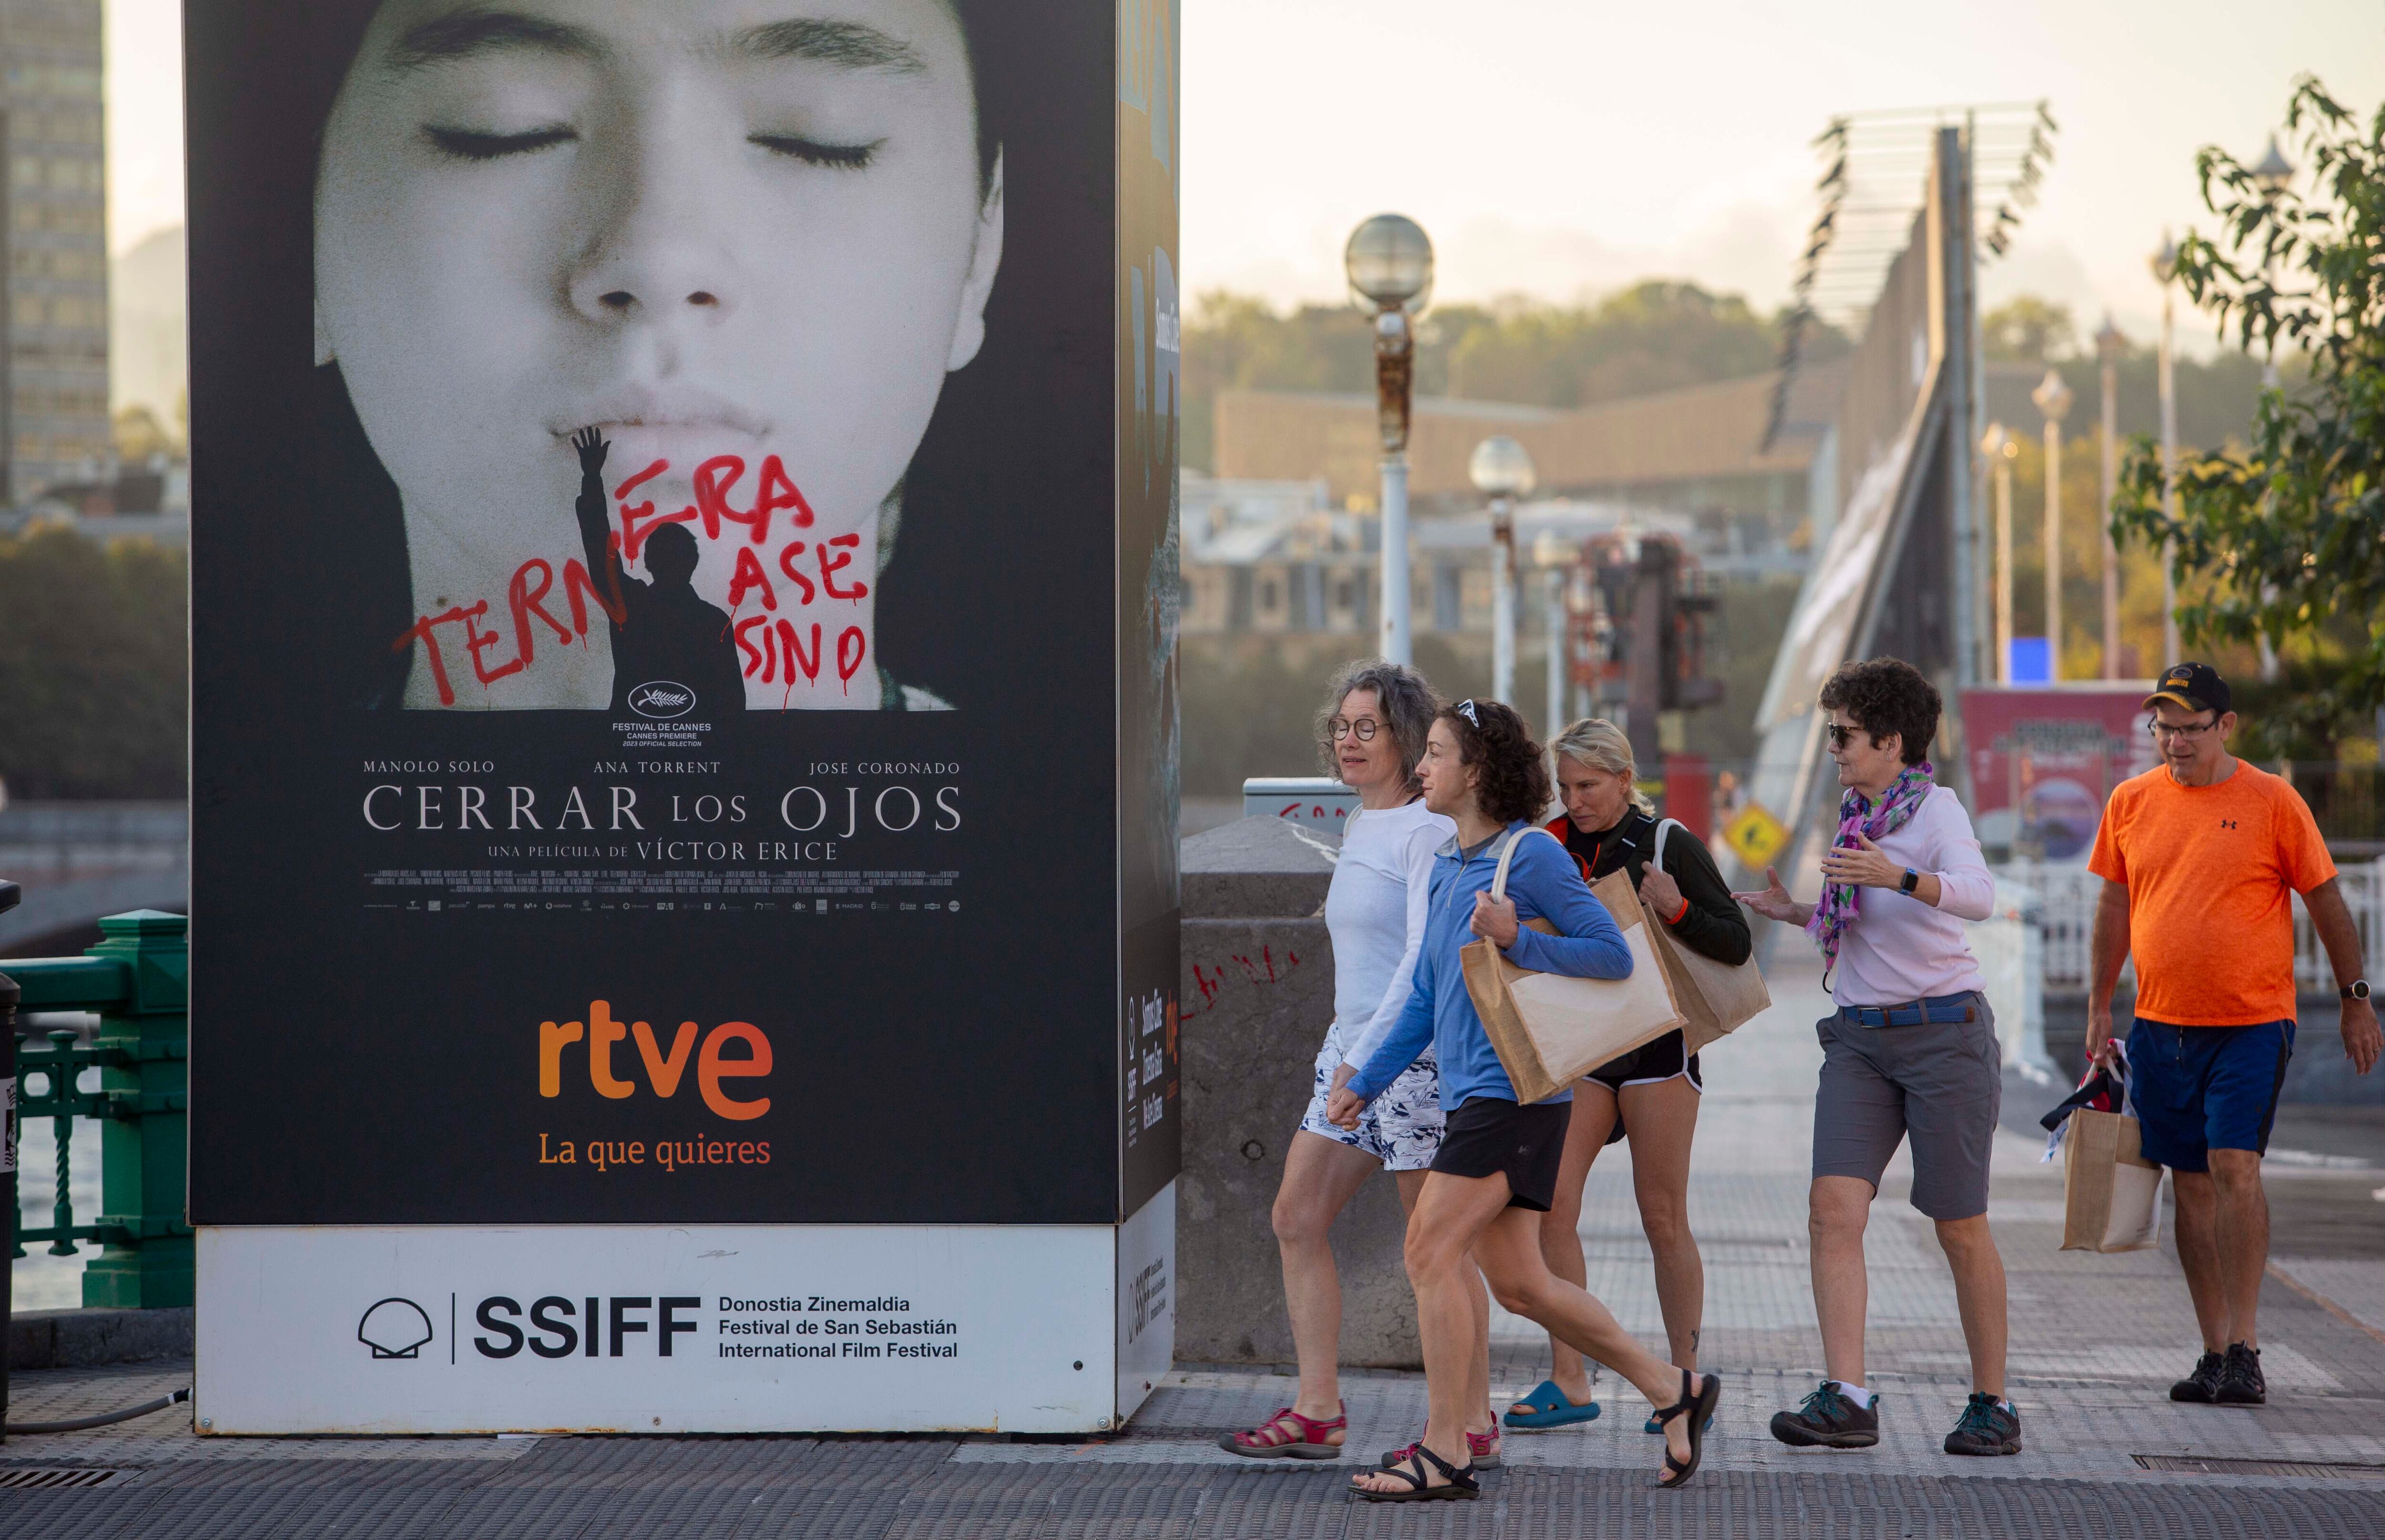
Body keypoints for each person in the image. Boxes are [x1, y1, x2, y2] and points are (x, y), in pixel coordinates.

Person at [315, 0, 1004, 710]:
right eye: (504, 130)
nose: (656, 260)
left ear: (979, 256)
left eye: (816, 137)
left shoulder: (1041, 820)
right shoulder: (264, 816)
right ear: (308, 249)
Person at [1331, 699, 1721, 1499]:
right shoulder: (1445, 864)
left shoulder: (1530, 857)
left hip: (1516, 1094)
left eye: (1435, 753)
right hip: (1475, 1096)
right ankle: (1671, 1386)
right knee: (1520, 1283)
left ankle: (1445, 1450)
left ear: (1476, 771)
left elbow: (1613, 954)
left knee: (1428, 1251)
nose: (1421, 767)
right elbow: (1425, 998)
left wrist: (1518, 938)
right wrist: (1363, 1079)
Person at [1732, 658, 2020, 1458]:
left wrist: (1899, 873)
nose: (1833, 747)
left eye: (1845, 734)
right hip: (1859, 1038)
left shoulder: (1934, 809)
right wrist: (1795, 910)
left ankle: (1994, 1402)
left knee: (1959, 1226)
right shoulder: (1857, 811)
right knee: (1833, 1206)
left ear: (1892, 740)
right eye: (1832, 732)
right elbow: (1861, 919)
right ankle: (1849, 1397)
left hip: (1943, 1036)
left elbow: (1978, 894)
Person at [1220, 661, 1498, 1464]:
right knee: (1295, 1217)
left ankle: (1473, 1420)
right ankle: (1318, 1411)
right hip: (1345, 1058)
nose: (1349, 738)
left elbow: (1423, 956)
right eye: (1342, 725)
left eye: (1367, 726)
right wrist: (1347, 1062)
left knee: (1435, 1247)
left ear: (1408, 738)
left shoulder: (1425, 828)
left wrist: (1368, 1064)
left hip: (1408, 1065)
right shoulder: (1364, 822)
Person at [2084, 661, 2379, 1406]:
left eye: (2189, 728)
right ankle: (2213, 1348)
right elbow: (2114, 910)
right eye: (2164, 728)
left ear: (2226, 727)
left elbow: (2328, 902)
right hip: (2159, 1025)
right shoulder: (2129, 802)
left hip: (2252, 1022)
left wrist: (2356, 1000)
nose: (2175, 742)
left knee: (2233, 1166)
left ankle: (2246, 1346)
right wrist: (2098, 1007)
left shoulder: (2273, 802)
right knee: (2189, 1186)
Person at [1505, 719, 1749, 1436]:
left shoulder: (1667, 840)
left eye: (1588, 786)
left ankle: (1682, 1377)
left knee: (1662, 1215)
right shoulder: (1546, 845)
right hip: (1584, 1046)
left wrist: (1674, 906)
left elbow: (1734, 943)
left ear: (1623, 779)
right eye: (1566, 787)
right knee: (1552, 1208)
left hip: (1657, 1049)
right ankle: (1570, 1376)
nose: (1575, 800)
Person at [570, 428, 747, 717]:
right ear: (693, 563)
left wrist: (592, 478)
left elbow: (599, 552)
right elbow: (733, 708)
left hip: (629, 745)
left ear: (648, 561)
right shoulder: (715, 623)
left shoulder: (630, 607)